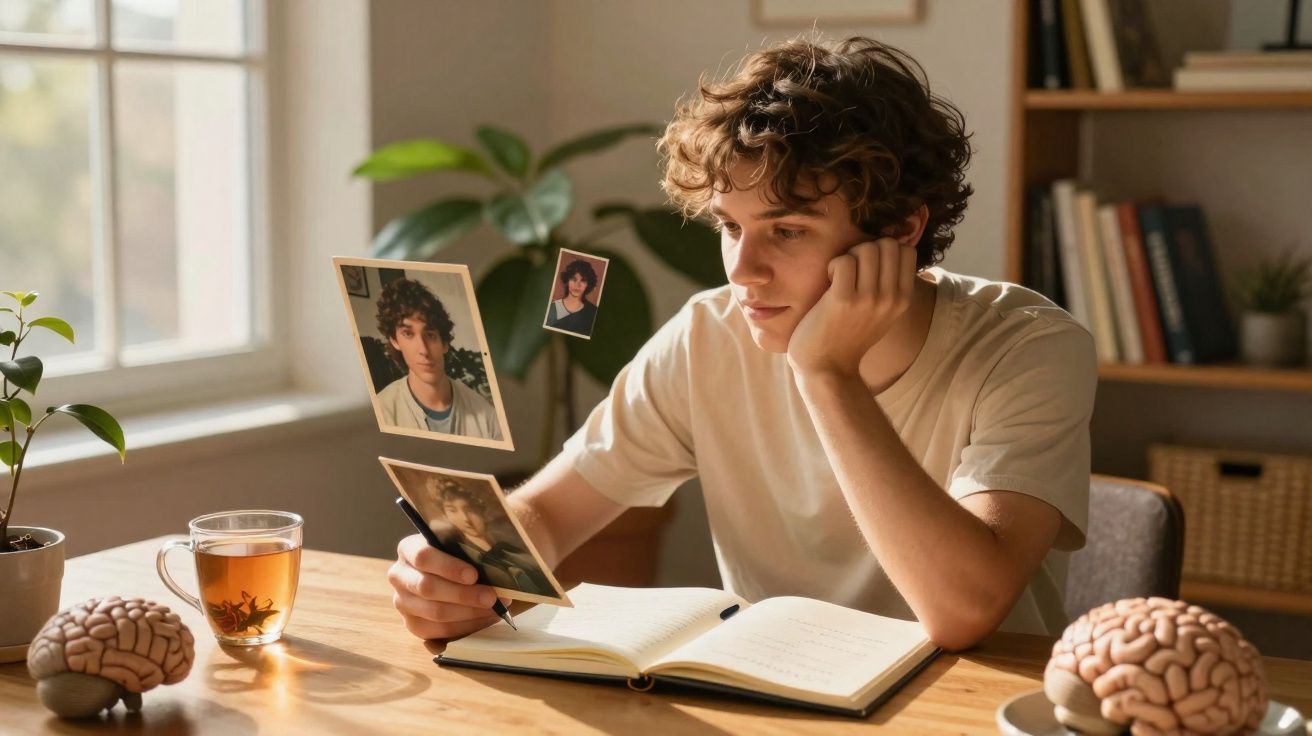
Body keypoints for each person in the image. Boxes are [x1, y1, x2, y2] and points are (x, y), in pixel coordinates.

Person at [388, 35, 1096, 651]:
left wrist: (826, 373)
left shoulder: (1027, 348)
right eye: (731, 226)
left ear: (902, 230)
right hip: (776, 704)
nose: (743, 272)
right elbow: (549, 513)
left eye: (787, 232)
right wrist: (458, 568)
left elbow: (963, 612)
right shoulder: (709, 335)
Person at [374, 278, 502, 440]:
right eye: (408, 334)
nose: (423, 350)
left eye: (430, 335)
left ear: (445, 343)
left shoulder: (486, 415)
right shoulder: (382, 410)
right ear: (395, 341)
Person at [428, 476, 555, 597]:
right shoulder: (462, 557)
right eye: (452, 510)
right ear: (445, 516)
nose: (465, 518)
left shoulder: (510, 546)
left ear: (480, 510)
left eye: (469, 509)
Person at [544, 259, 600, 336]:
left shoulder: (592, 312)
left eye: (583, 281)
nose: (578, 285)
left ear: (588, 284)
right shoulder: (551, 309)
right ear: (567, 280)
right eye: (574, 279)